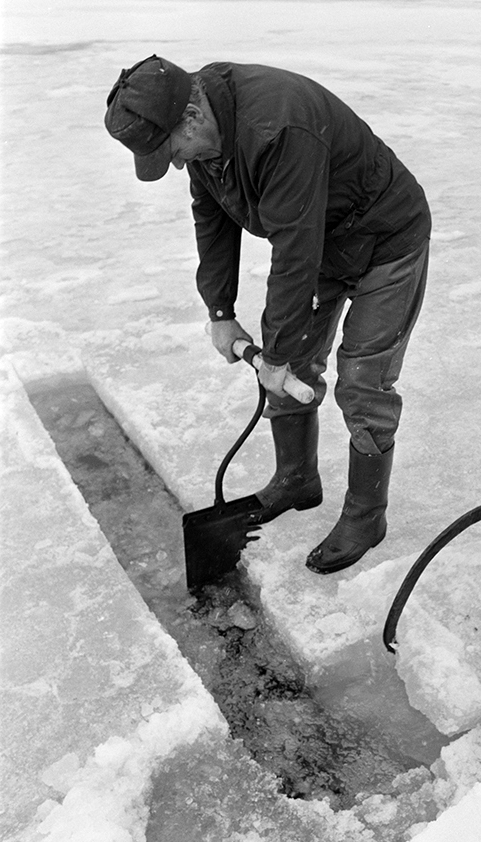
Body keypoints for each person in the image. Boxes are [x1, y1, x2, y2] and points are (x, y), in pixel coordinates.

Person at [104, 54, 431, 574]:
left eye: (170, 150)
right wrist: (220, 310)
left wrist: (275, 353)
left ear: (190, 118)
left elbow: (295, 251)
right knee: (291, 365)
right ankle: (297, 477)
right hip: (323, 238)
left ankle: (367, 515)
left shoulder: (278, 126)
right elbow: (211, 217)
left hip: (385, 238)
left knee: (363, 380)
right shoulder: (206, 135)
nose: (174, 163)